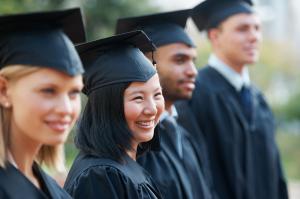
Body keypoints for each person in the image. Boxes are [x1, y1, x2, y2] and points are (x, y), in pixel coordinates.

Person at [177, 0, 289, 199]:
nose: (254, 37)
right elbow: (194, 175)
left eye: (257, 28)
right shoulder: (194, 94)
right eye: (242, 29)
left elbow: (276, 174)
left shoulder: (258, 99)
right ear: (215, 36)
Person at [116, 10, 214, 199]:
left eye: (193, 61)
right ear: (146, 63)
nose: (193, 71)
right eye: (180, 60)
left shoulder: (184, 137)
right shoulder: (133, 145)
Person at [64, 30, 164, 199]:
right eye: (138, 98)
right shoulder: (100, 176)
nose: (152, 109)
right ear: (107, 105)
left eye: (157, 95)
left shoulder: (123, 165)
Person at [0, 8, 85, 198]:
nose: (66, 109)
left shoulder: (54, 190)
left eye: (74, 93)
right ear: (4, 91)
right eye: (48, 91)